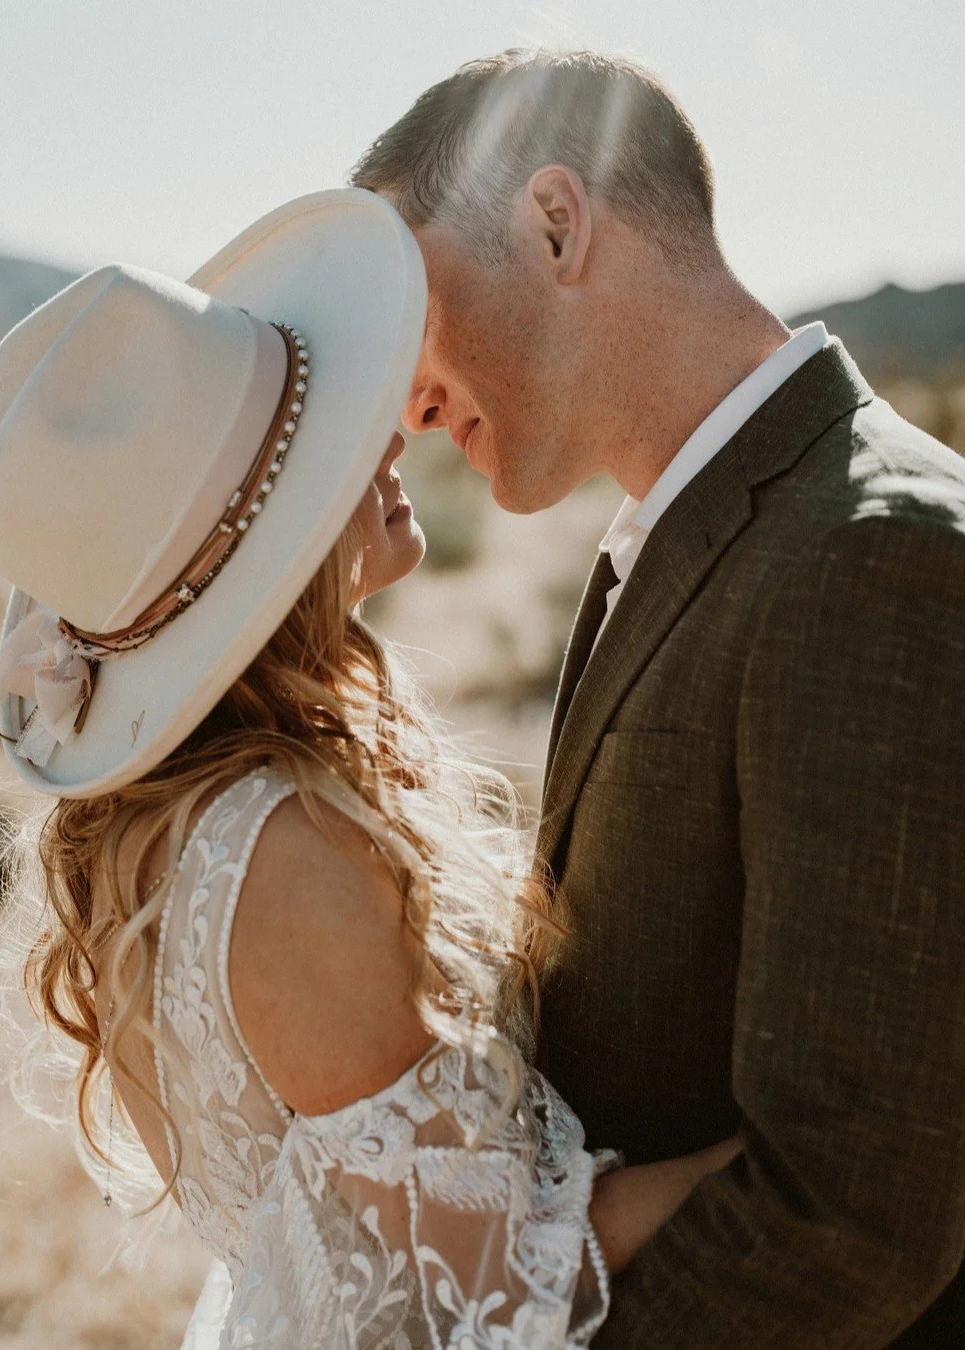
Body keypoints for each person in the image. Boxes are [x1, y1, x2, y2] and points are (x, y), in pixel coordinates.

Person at [0, 189, 738, 1349]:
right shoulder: (273, 856)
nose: (390, 432)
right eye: (317, 435)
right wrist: (838, 1151)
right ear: (254, 547)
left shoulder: (171, 830)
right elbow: (511, 1268)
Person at [351, 50, 965, 1348]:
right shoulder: (671, 534)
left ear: (558, 224)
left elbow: (857, 1205)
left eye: (408, 313)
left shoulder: (877, 551)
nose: (403, 405)